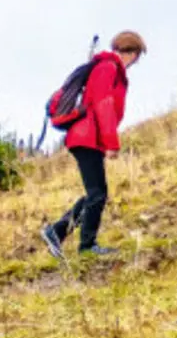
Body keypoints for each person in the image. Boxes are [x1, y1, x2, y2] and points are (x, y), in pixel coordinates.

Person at [41, 31, 146, 260]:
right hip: (87, 137)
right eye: (137, 57)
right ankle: (85, 245)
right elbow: (103, 104)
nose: (134, 63)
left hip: (87, 136)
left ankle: (57, 233)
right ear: (132, 53)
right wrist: (111, 143)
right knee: (97, 193)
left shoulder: (106, 67)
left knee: (96, 192)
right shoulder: (109, 68)